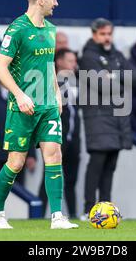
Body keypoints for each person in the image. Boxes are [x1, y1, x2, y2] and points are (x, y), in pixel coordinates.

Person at [0, 0, 78, 229]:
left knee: (54, 155)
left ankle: (57, 217)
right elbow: (0, 68)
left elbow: (49, 67)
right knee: (16, 162)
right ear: (41, 0)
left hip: (47, 105)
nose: (56, 3)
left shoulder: (50, 30)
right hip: (23, 106)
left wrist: (57, 95)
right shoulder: (16, 29)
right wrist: (19, 94)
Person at [79, 18, 136, 219]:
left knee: (110, 167)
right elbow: (101, 86)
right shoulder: (88, 56)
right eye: (103, 34)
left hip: (117, 117)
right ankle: (89, 209)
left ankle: (105, 209)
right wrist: (120, 78)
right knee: (97, 163)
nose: (107, 38)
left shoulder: (116, 54)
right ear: (94, 34)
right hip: (97, 116)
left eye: (109, 34)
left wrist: (112, 75)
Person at [38, 49, 81, 218]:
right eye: (70, 61)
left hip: (73, 138)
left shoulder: (75, 83)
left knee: (71, 180)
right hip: (55, 136)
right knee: (49, 175)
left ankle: (74, 215)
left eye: (75, 61)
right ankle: (39, 215)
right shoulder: (49, 81)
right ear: (60, 62)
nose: (74, 65)